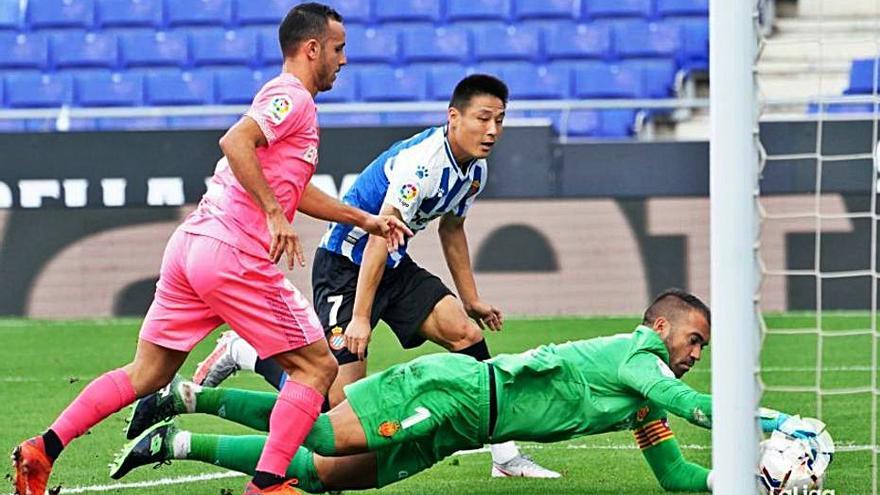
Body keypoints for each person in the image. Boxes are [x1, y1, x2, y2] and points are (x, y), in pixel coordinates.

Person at [10, 4, 412, 495]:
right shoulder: (292, 98)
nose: (344, 60)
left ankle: (42, 449)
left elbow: (293, 187)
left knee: (148, 373)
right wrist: (272, 213)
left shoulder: (289, 104)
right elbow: (235, 142)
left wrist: (363, 218)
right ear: (312, 49)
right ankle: (268, 484)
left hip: (193, 247)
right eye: (339, 48)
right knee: (319, 367)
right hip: (233, 252)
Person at [190, 73, 558, 478]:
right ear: (453, 117)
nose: (492, 131)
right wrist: (361, 317)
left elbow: (452, 230)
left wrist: (470, 299)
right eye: (483, 118)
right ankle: (249, 354)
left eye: (500, 121)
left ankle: (504, 456)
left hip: (393, 267)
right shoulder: (422, 164)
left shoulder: (474, 172)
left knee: (466, 334)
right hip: (346, 267)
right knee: (336, 410)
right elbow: (377, 239)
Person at [110, 289, 813, 493]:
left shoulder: (644, 395)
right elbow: (696, 406)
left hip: (459, 429)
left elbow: (676, 475)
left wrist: (744, 480)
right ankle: (186, 394)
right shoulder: (639, 355)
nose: (695, 355)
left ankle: (175, 440)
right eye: (694, 341)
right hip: (454, 392)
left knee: (320, 475)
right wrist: (774, 420)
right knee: (321, 429)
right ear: (663, 326)